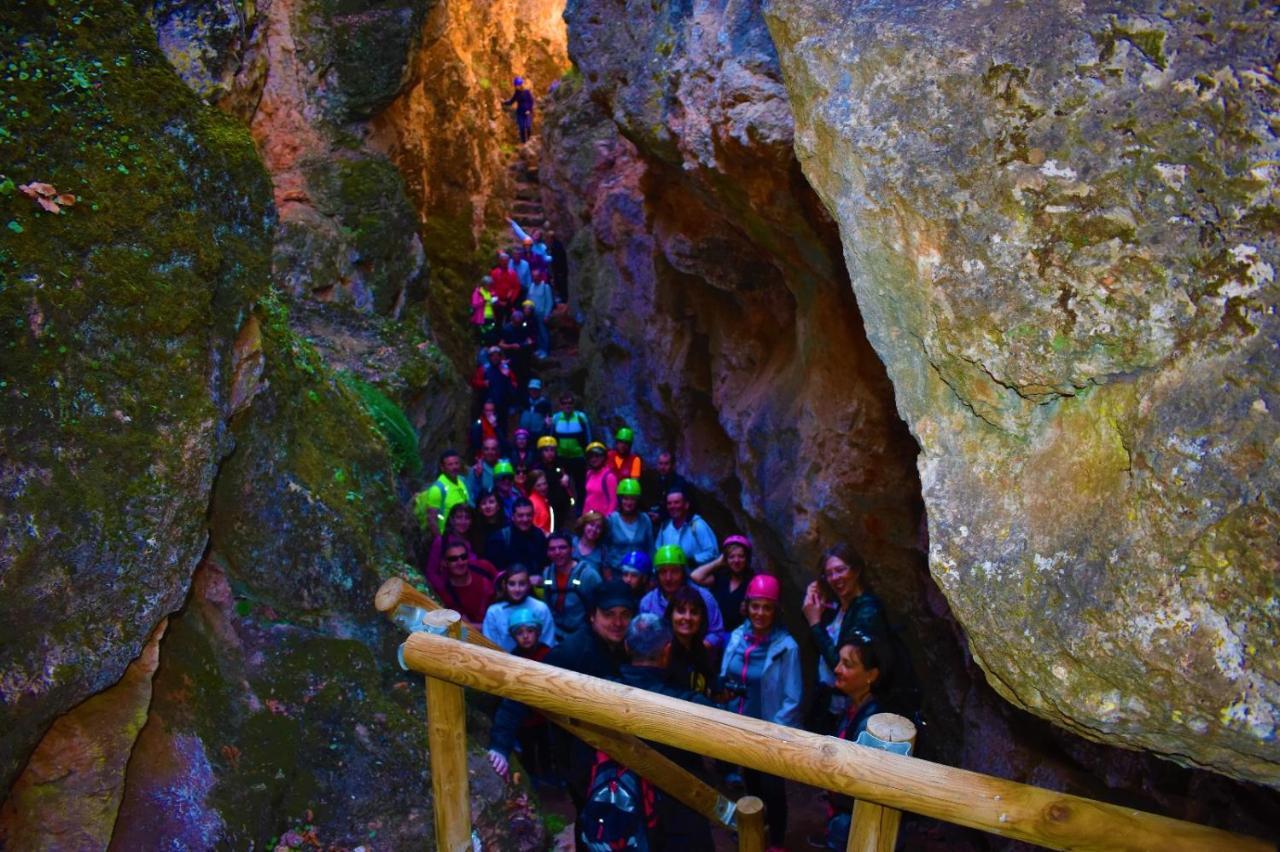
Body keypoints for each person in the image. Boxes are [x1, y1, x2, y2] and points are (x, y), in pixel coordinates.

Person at [488, 582, 636, 813]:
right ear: (592, 616)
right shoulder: (573, 651)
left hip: (623, 755)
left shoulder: (630, 645)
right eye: (609, 615)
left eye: (625, 615)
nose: (617, 623)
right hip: (582, 760)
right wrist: (500, 745)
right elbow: (524, 689)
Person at [616, 614, 715, 850]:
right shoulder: (688, 704)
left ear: (627, 646)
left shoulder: (600, 688)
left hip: (622, 803)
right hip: (680, 813)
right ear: (667, 650)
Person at [718, 575, 802, 851]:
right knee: (750, 782)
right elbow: (725, 673)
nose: (760, 613)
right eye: (755, 606)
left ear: (775, 610)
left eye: (767, 607)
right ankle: (754, 828)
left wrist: (775, 734)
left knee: (773, 788)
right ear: (747, 606)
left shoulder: (786, 647)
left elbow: (792, 697)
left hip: (767, 729)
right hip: (739, 724)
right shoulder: (737, 636)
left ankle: (775, 840)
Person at [801, 543, 891, 734]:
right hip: (828, 700)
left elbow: (844, 663)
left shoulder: (867, 610)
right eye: (829, 573)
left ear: (856, 570)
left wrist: (815, 624)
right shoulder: (837, 608)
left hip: (850, 705)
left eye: (840, 570)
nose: (835, 578)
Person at [824, 636, 887, 850]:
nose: (836, 669)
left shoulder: (873, 725)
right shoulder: (855, 707)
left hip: (855, 822)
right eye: (839, 661)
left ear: (871, 675)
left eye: (847, 664)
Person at [639, 545, 728, 650]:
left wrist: (694, 651)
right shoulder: (648, 602)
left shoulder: (704, 597)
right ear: (657, 575)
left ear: (683, 573)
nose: (668, 578)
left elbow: (717, 633)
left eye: (674, 571)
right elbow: (644, 637)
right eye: (663, 572)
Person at [504, 607, 556, 784]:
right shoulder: (513, 657)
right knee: (527, 747)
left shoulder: (547, 654)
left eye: (530, 631)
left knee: (546, 747)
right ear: (513, 636)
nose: (525, 636)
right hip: (524, 715)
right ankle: (531, 778)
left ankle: (550, 776)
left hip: (545, 713)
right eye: (519, 633)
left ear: (538, 632)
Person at [537, 531, 603, 642]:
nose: (557, 552)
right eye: (552, 549)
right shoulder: (547, 573)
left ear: (572, 550)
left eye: (562, 548)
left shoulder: (588, 575)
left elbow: (600, 605)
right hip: (555, 634)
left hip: (582, 635)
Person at [482, 564, 557, 652]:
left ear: (528, 585)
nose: (517, 589)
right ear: (505, 585)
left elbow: (548, 643)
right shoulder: (494, 612)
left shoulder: (540, 608)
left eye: (522, 584)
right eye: (512, 584)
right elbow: (488, 646)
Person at [691, 534, 754, 633]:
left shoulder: (752, 582)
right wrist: (718, 562)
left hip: (738, 636)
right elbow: (696, 576)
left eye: (741, 556)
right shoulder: (721, 577)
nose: (736, 561)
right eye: (731, 557)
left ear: (747, 559)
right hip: (714, 631)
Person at [663, 585, 717, 696]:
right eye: (681, 611)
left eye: (694, 612)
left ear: (702, 618)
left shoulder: (701, 650)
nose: (687, 617)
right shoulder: (663, 652)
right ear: (670, 615)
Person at [430, 538, 497, 624]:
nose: (460, 562)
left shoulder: (483, 567)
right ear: (444, 562)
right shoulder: (447, 594)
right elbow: (468, 625)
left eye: (463, 557)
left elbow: (504, 585)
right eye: (453, 559)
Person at [654, 488, 718, 570]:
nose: (672, 506)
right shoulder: (665, 526)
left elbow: (713, 552)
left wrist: (690, 561)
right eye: (669, 503)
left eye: (676, 502)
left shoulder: (697, 525)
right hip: (670, 578)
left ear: (686, 505)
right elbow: (657, 551)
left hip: (695, 578)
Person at [413, 449, 472, 536]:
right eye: (450, 464)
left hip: (458, 533)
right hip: (444, 537)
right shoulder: (437, 490)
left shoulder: (461, 482)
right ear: (442, 468)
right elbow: (431, 520)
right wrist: (440, 540)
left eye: (456, 463)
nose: (454, 467)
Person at [603, 478, 654, 573]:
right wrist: (606, 570)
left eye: (632, 499)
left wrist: (652, 572)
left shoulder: (645, 519)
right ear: (620, 500)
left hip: (640, 573)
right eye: (625, 498)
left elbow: (650, 547)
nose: (629, 503)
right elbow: (604, 547)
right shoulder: (611, 520)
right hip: (617, 571)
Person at [486, 497, 548, 573]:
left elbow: (545, 564)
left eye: (529, 515)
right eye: (520, 515)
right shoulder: (500, 538)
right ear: (513, 517)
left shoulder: (539, 535)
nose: (525, 519)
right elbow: (495, 571)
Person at [423, 503, 482, 582]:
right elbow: (431, 573)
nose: (463, 522)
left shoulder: (475, 541)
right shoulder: (442, 541)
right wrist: (445, 592)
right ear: (452, 520)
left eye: (467, 518)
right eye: (459, 517)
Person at [550, 392, 591, 497]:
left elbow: (588, 436)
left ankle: (580, 508)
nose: (567, 405)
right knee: (562, 484)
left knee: (580, 485)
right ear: (560, 405)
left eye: (570, 403)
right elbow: (551, 438)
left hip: (578, 457)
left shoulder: (580, 417)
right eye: (564, 403)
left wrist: (588, 454)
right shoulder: (556, 418)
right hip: (561, 458)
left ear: (573, 404)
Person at [534, 435, 576, 524]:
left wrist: (566, 478)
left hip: (560, 504)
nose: (550, 453)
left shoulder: (560, 464)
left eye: (552, 450)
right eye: (546, 450)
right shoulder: (536, 468)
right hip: (544, 504)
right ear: (541, 452)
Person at [646, 450, 690, 523]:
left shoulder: (679, 482)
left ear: (672, 465)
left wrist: (661, 516)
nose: (663, 467)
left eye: (666, 464)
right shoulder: (655, 480)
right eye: (661, 464)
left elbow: (681, 507)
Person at [581, 441, 618, 517]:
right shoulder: (589, 474)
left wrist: (607, 520)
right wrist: (583, 517)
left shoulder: (609, 477)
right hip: (589, 517)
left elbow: (613, 502)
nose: (594, 459)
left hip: (602, 520)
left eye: (597, 456)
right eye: (591, 456)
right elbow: (588, 498)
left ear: (603, 457)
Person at [572, 511, 608, 578]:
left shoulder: (602, 551)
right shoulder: (571, 542)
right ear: (584, 525)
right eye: (591, 525)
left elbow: (607, 577)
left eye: (599, 527)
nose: (594, 529)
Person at [527, 271, 554, 357]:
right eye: (533, 276)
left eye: (536, 276)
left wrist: (547, 314)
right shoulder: (531, 286)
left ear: (540, 277)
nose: (535, 278)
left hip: (542, 313)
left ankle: (545, 350)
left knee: (543, 332)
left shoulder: (545, 287)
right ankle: (539, 349)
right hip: (533, 314)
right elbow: (529, 299)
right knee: (537, 332)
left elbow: (549, 301)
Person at [502, 76, 535, 143]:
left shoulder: (526, 92)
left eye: (516, 85)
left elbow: (531, 101)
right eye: (515, 85)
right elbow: (511, 101)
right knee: (522, 128)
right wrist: (504, 102)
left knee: (528, 127)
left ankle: (529, 142)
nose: (515, 87)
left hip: (527, 112)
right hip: (520, 113)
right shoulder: (517, 93)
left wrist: (529, 110)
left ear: (520, 85)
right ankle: (524, 143)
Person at [473, 490, 507, 555]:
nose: (488, 506)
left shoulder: (507, 527)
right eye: (483, 503)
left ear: (498, 506)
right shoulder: (474, 528)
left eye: (491, 502)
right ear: (479, 508)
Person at [470, 275, 499, 342]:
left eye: (490, 285)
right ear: (484, 284)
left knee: (490, 334)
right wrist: (483, 301)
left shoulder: (491, 293)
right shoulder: (477, 292)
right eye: (488, 285)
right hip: (481, 317)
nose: (489, 286)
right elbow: (475, 304)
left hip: (490, 316)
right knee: (481, 335)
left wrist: (495, 302)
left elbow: (493, 303)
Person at [526, 469, 555, 533]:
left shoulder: (543, 500)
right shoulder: (533, 503)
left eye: (544, 483)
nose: (543, 487)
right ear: (532, 487)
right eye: (538, 485)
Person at [546, 227, 569, 303]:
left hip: (560, 271)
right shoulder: (556, 245)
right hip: (559, 271)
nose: (547, 240)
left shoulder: (556, 246)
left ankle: (562, 302)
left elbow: (558, 260)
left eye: (548, 238)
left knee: (561, 287)